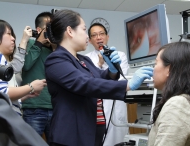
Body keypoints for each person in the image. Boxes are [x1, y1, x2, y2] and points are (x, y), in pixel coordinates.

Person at [44, 9, 153, 146]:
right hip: (71, 135)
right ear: (70, 31)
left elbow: (100, 78)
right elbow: (84, 83)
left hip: (93, 131)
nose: (87, 37)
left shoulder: (83, 60)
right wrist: (127, 85)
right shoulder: (56, 60)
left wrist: (112, 70)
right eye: (84, 30)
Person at [148, 41, 190, 146]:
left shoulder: (177, 104)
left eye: (155, 63)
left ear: (169, 69)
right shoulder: (188, 101)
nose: (153, 69)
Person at [86, 23, 129, 146]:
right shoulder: (86, 59)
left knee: (119, 140)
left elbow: (122, 80)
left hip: (116, 106)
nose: (99, 37)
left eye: (101, 34)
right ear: (90, 40)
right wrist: (100, 64)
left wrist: (110, 65)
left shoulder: (120, 55)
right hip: (97, 110)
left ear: (107, 37)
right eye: (94, 35)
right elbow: (89, 82)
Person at [0, 19, 47, 116]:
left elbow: (16, 66)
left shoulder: (3, 62)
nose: (13, 38)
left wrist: (24, 96)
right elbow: (3, 93)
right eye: (9, 34)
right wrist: (31, 87)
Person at [21, 11, 54, 143]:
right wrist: (39, 42)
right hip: (33, 108)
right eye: (48, 28)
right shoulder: (29, 44)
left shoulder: (56, 49)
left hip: (55, 108)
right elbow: (26, 65)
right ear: (39, 30)